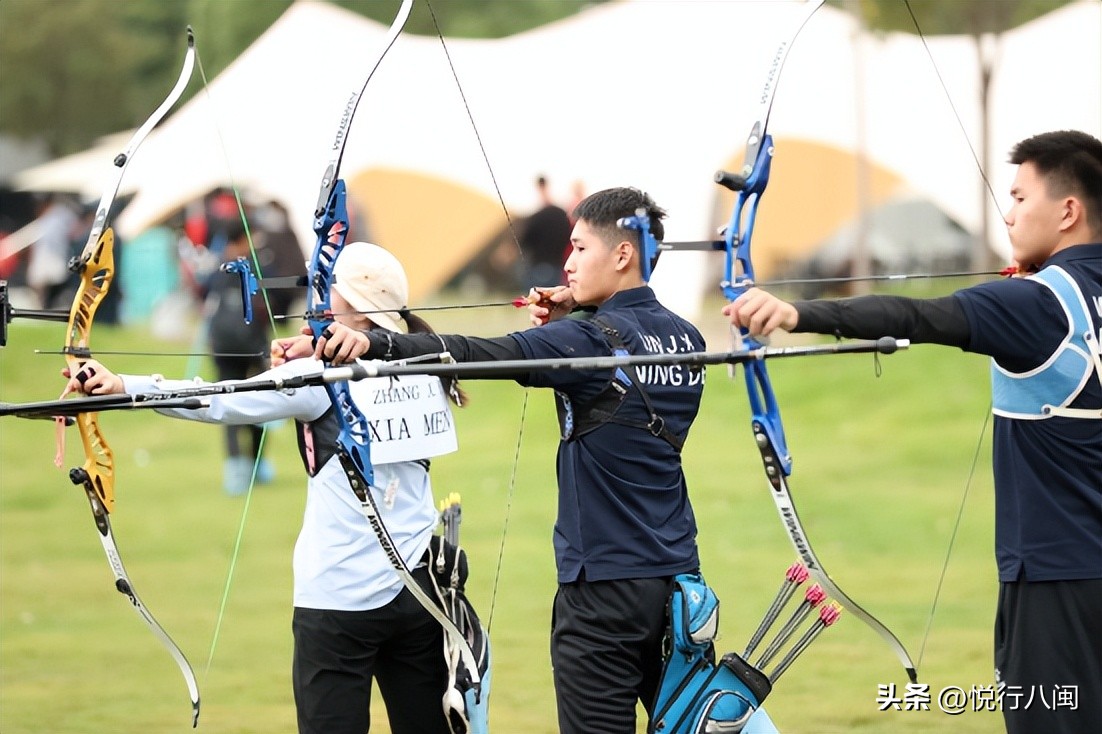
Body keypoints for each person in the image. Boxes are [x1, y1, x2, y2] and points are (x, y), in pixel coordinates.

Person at [286, 187, 708, 733]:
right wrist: (574, 318)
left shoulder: (585, 339)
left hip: (602, 590)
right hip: (679, 585)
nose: (568, 262)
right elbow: (623, 367)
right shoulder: (686, 337)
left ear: (622, 254)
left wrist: (378, 345)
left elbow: (484, 354)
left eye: (579, 248)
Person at [724, 130, 1102, 734]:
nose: (1008, 213)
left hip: (1056, 582)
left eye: (1020, 197)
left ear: (1067, 211)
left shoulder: (1038, 303)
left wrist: (799, 313)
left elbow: (917, 316)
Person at [66, 242, 471, 734]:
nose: (317, 298)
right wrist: (312, 348)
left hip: (338, 601)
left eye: (328, 289)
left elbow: (217, 401)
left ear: (347, 301)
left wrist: (124, 385)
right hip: (420, 591)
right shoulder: (426, 363)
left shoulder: (320, 376)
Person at [204, 221, 274, 495]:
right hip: (253, 345)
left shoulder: (217, 269)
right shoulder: (256, 267)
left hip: (222, 346)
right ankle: (255, 465)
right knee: (261, 403)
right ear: (242, 238)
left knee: (228, 404)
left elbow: (203, 293)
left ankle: (236, 469)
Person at [518, 175, 572, 288]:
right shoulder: (561, 214)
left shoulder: (537, 216)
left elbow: (525, 241)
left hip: (540, 264)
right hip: (556, 264)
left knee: (537, 300)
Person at [26, 192, 78, 309]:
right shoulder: (44, 219)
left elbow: (75, 232)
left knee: (55, 296)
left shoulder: (61, 214)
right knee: (43, 295)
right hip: (45, 262)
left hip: (59, 260)